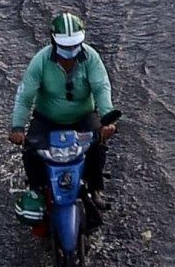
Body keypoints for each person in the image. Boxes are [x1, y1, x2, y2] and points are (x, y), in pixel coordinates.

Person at [8, 12, 115, 220]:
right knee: (31, 151)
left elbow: (102, 88)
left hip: (83, 117)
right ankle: (37, 189)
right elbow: (25, 97)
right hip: (47, 119)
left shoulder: (91, 59)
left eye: (74, 46)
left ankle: (95, 188)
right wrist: (17, 128)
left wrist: (107, 119)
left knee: (97, 146)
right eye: (65, 47)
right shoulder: (40, 61)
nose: (70, 51)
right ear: (53, 42)